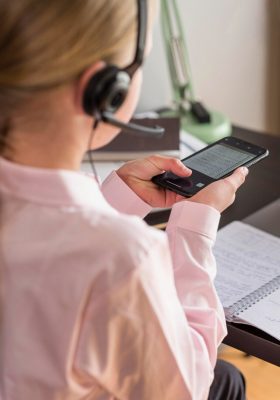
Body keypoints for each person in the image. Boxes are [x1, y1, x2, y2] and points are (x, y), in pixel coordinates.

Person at [0, 0, 247, 399]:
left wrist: (117, 199)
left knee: (229, 378)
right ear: (104, 89)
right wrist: (193, 226)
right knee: (220, 378)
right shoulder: (123, 257)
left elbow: (55, 241)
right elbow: (188, 386)